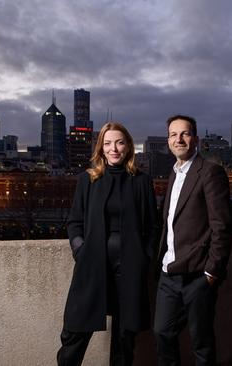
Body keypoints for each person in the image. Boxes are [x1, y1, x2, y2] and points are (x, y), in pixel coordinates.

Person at [58, 122, 159, 366]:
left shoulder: (141, 181)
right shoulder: (87, 180)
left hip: (130, 268)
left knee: (125, 337)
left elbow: (153, 227)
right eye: (107, 143)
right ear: (101, 148)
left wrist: (145, 257)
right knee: (75, 330)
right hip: (92, 264)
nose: (114, 148)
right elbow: (74, 222)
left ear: (128, 147)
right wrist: (80, 250)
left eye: (119, 142)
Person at [153, 115, 232, 365]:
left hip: (198, 275)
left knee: (202, 343)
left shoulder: (210, 172)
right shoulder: (174, 174)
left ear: (195, 139)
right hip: (169, 274)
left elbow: (222, 225)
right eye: (173, 134)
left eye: (185, 134)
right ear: (168, 141)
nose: (179, 139)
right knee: (162, 332)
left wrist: (212, 271)